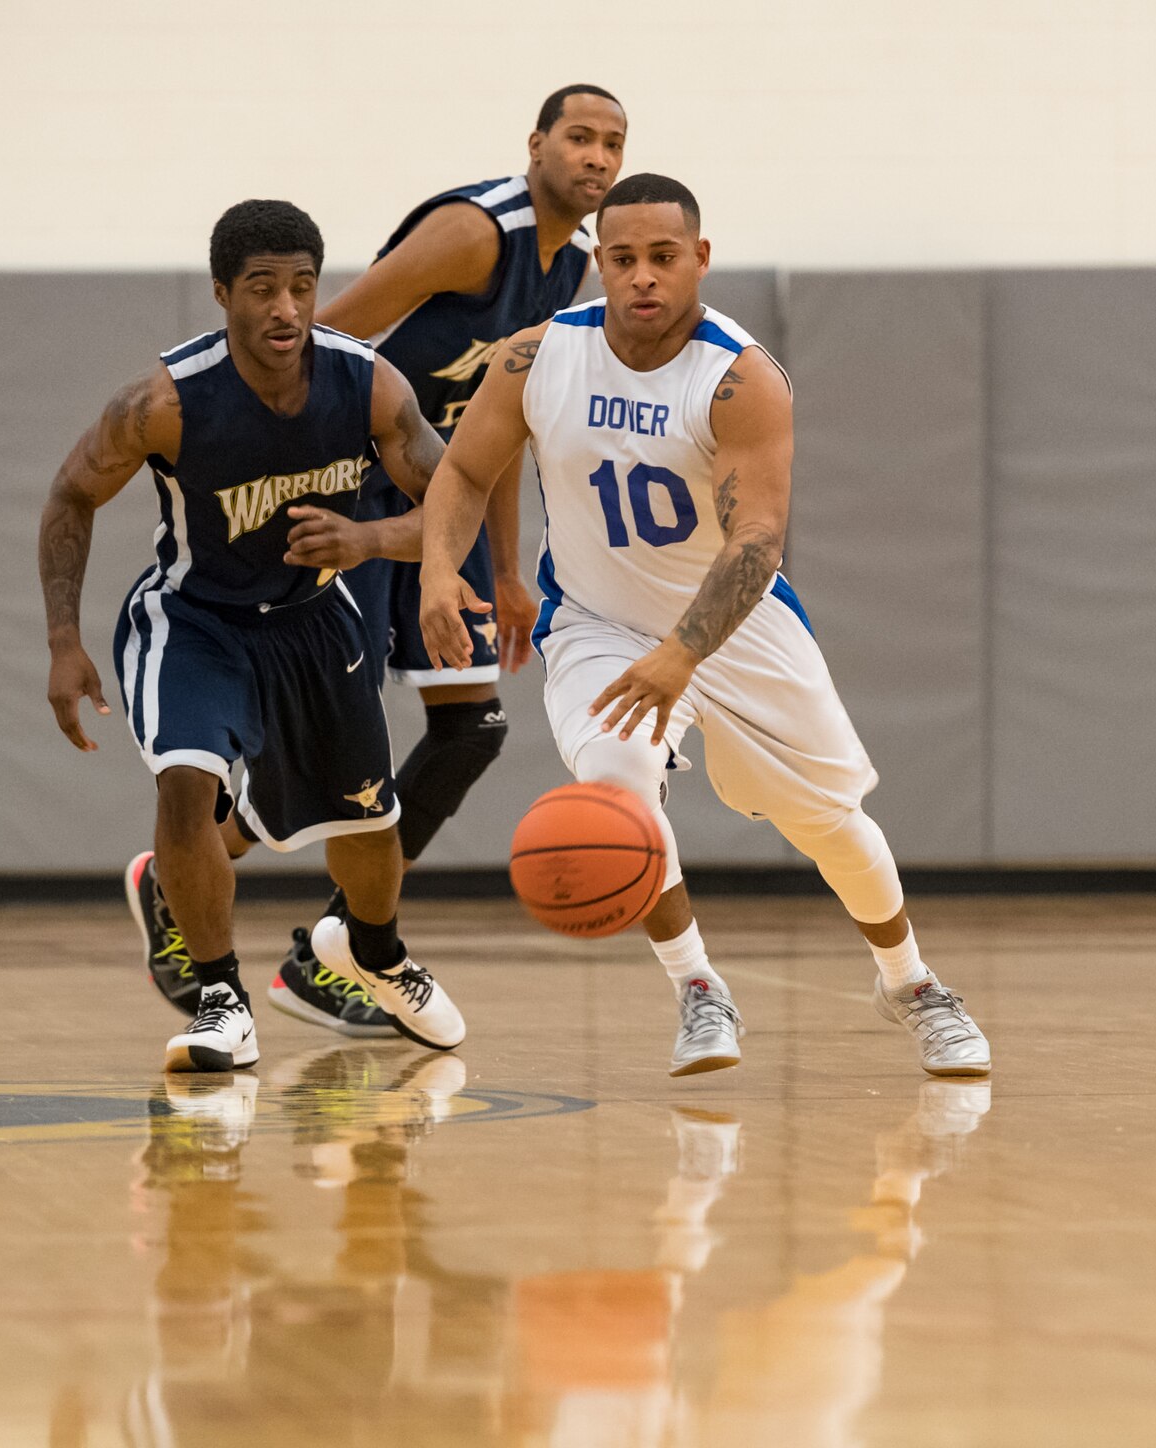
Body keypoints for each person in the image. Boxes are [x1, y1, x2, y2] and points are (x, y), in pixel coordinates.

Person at [416, 173, 992, 1078]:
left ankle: (911, 983)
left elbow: (758, 540)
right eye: (623, 258)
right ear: (598, 262)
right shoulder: (535, 357)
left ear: (700, 260)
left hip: (735, 619)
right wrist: (439, 574)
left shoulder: (739, 378)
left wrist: (683, 653)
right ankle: (698, 990)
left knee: (828, 822)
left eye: (663, 258)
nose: (643, 277)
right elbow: (462, 473)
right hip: (597, 621)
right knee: (618, 790)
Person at [198, 84, 623, 1038]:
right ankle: (192, 861)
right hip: (353, 480)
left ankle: (336, 951)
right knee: (332, 743)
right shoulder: (475, 235)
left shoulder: (575, 271)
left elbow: (494, 429)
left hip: (441, 495)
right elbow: (319, 338)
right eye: (580, 137)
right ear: (538, 144)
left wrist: (510, 569)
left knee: (471, 730)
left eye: (613, 144)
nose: (596, 157)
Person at [41, 199, 467, 1071]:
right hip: (195, 621)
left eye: (302, 287)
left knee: (367, 827)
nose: (285, 308)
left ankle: (375, 953)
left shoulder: (370, 383)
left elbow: (451, 497)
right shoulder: (164, 404)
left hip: (313, 620)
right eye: (263, 289)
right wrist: (62, 640)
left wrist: (370, 542)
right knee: (186, 786)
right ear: (222, 293)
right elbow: (71, 495)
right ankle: (220, 996)